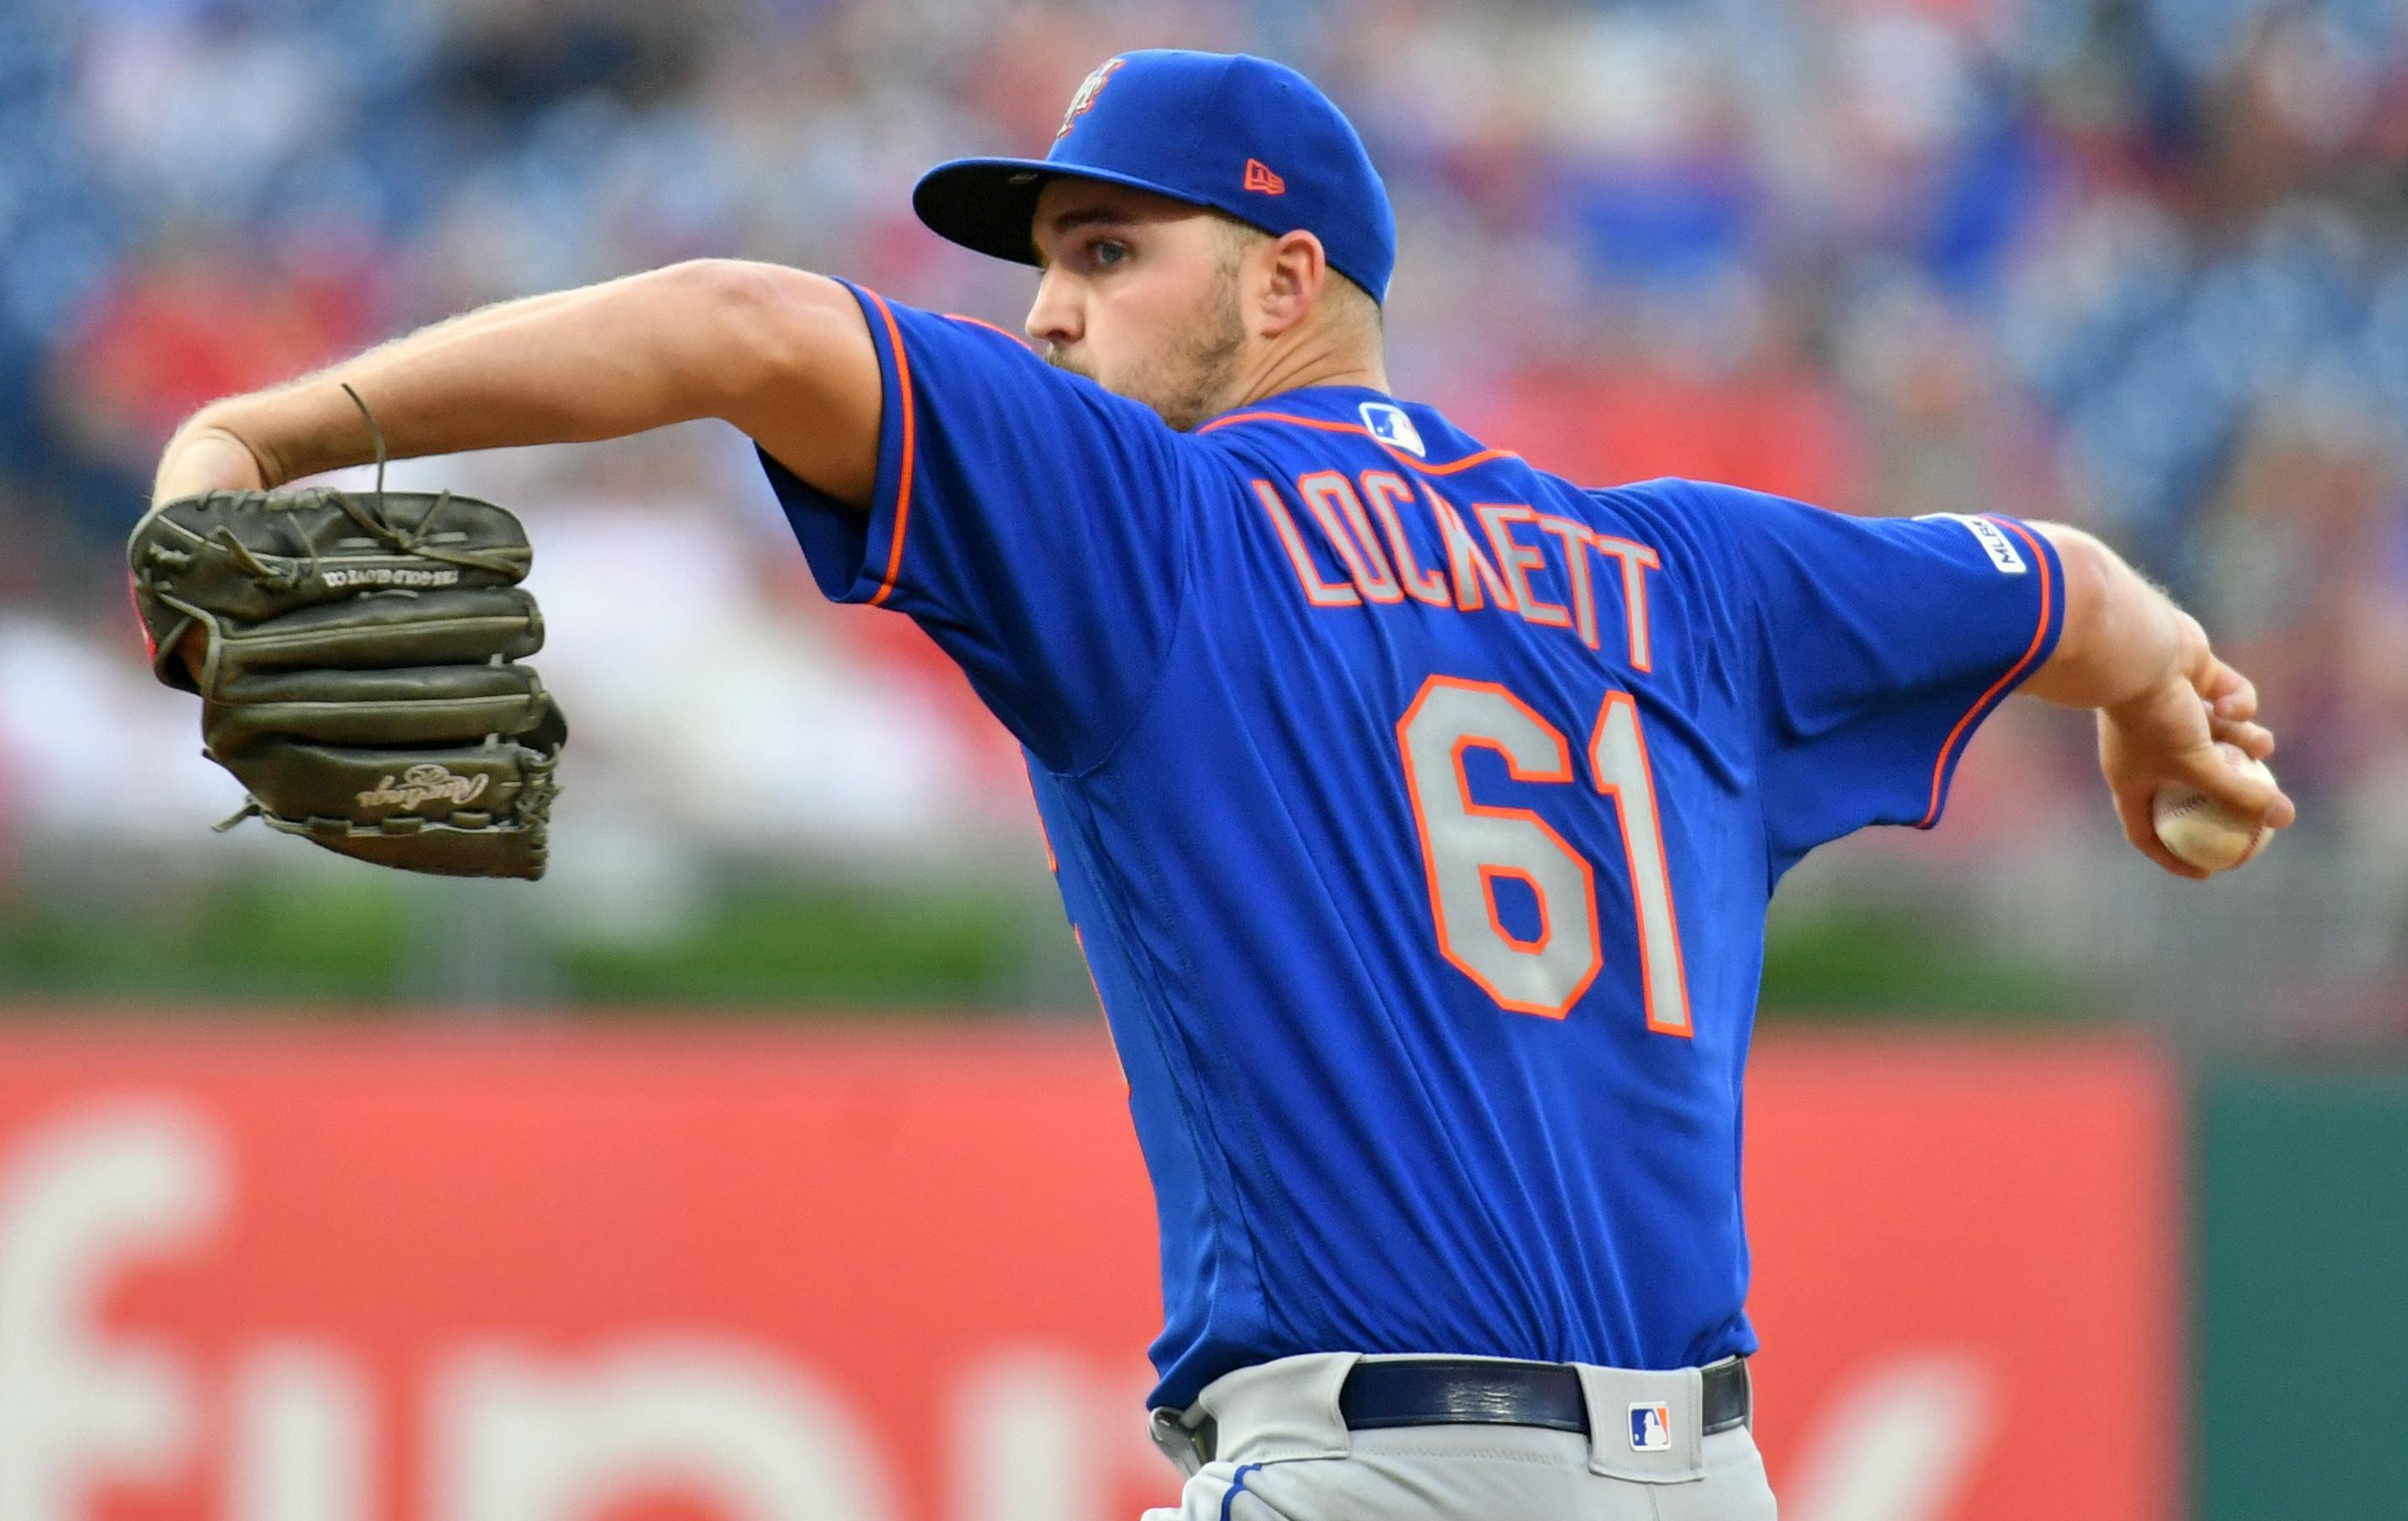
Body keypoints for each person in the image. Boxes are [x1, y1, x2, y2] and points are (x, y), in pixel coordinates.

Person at [150, 49, 2290, 1521]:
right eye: (1042, 264)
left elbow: (737, 323)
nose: (1050, 317)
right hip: (1709, 1477)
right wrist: (2159, 692)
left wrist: (273, 422)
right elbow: (2051, 583)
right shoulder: (1692, 568)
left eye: (1105, 255)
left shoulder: (1158, 533)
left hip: (1376, 1469)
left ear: (1288, 286)